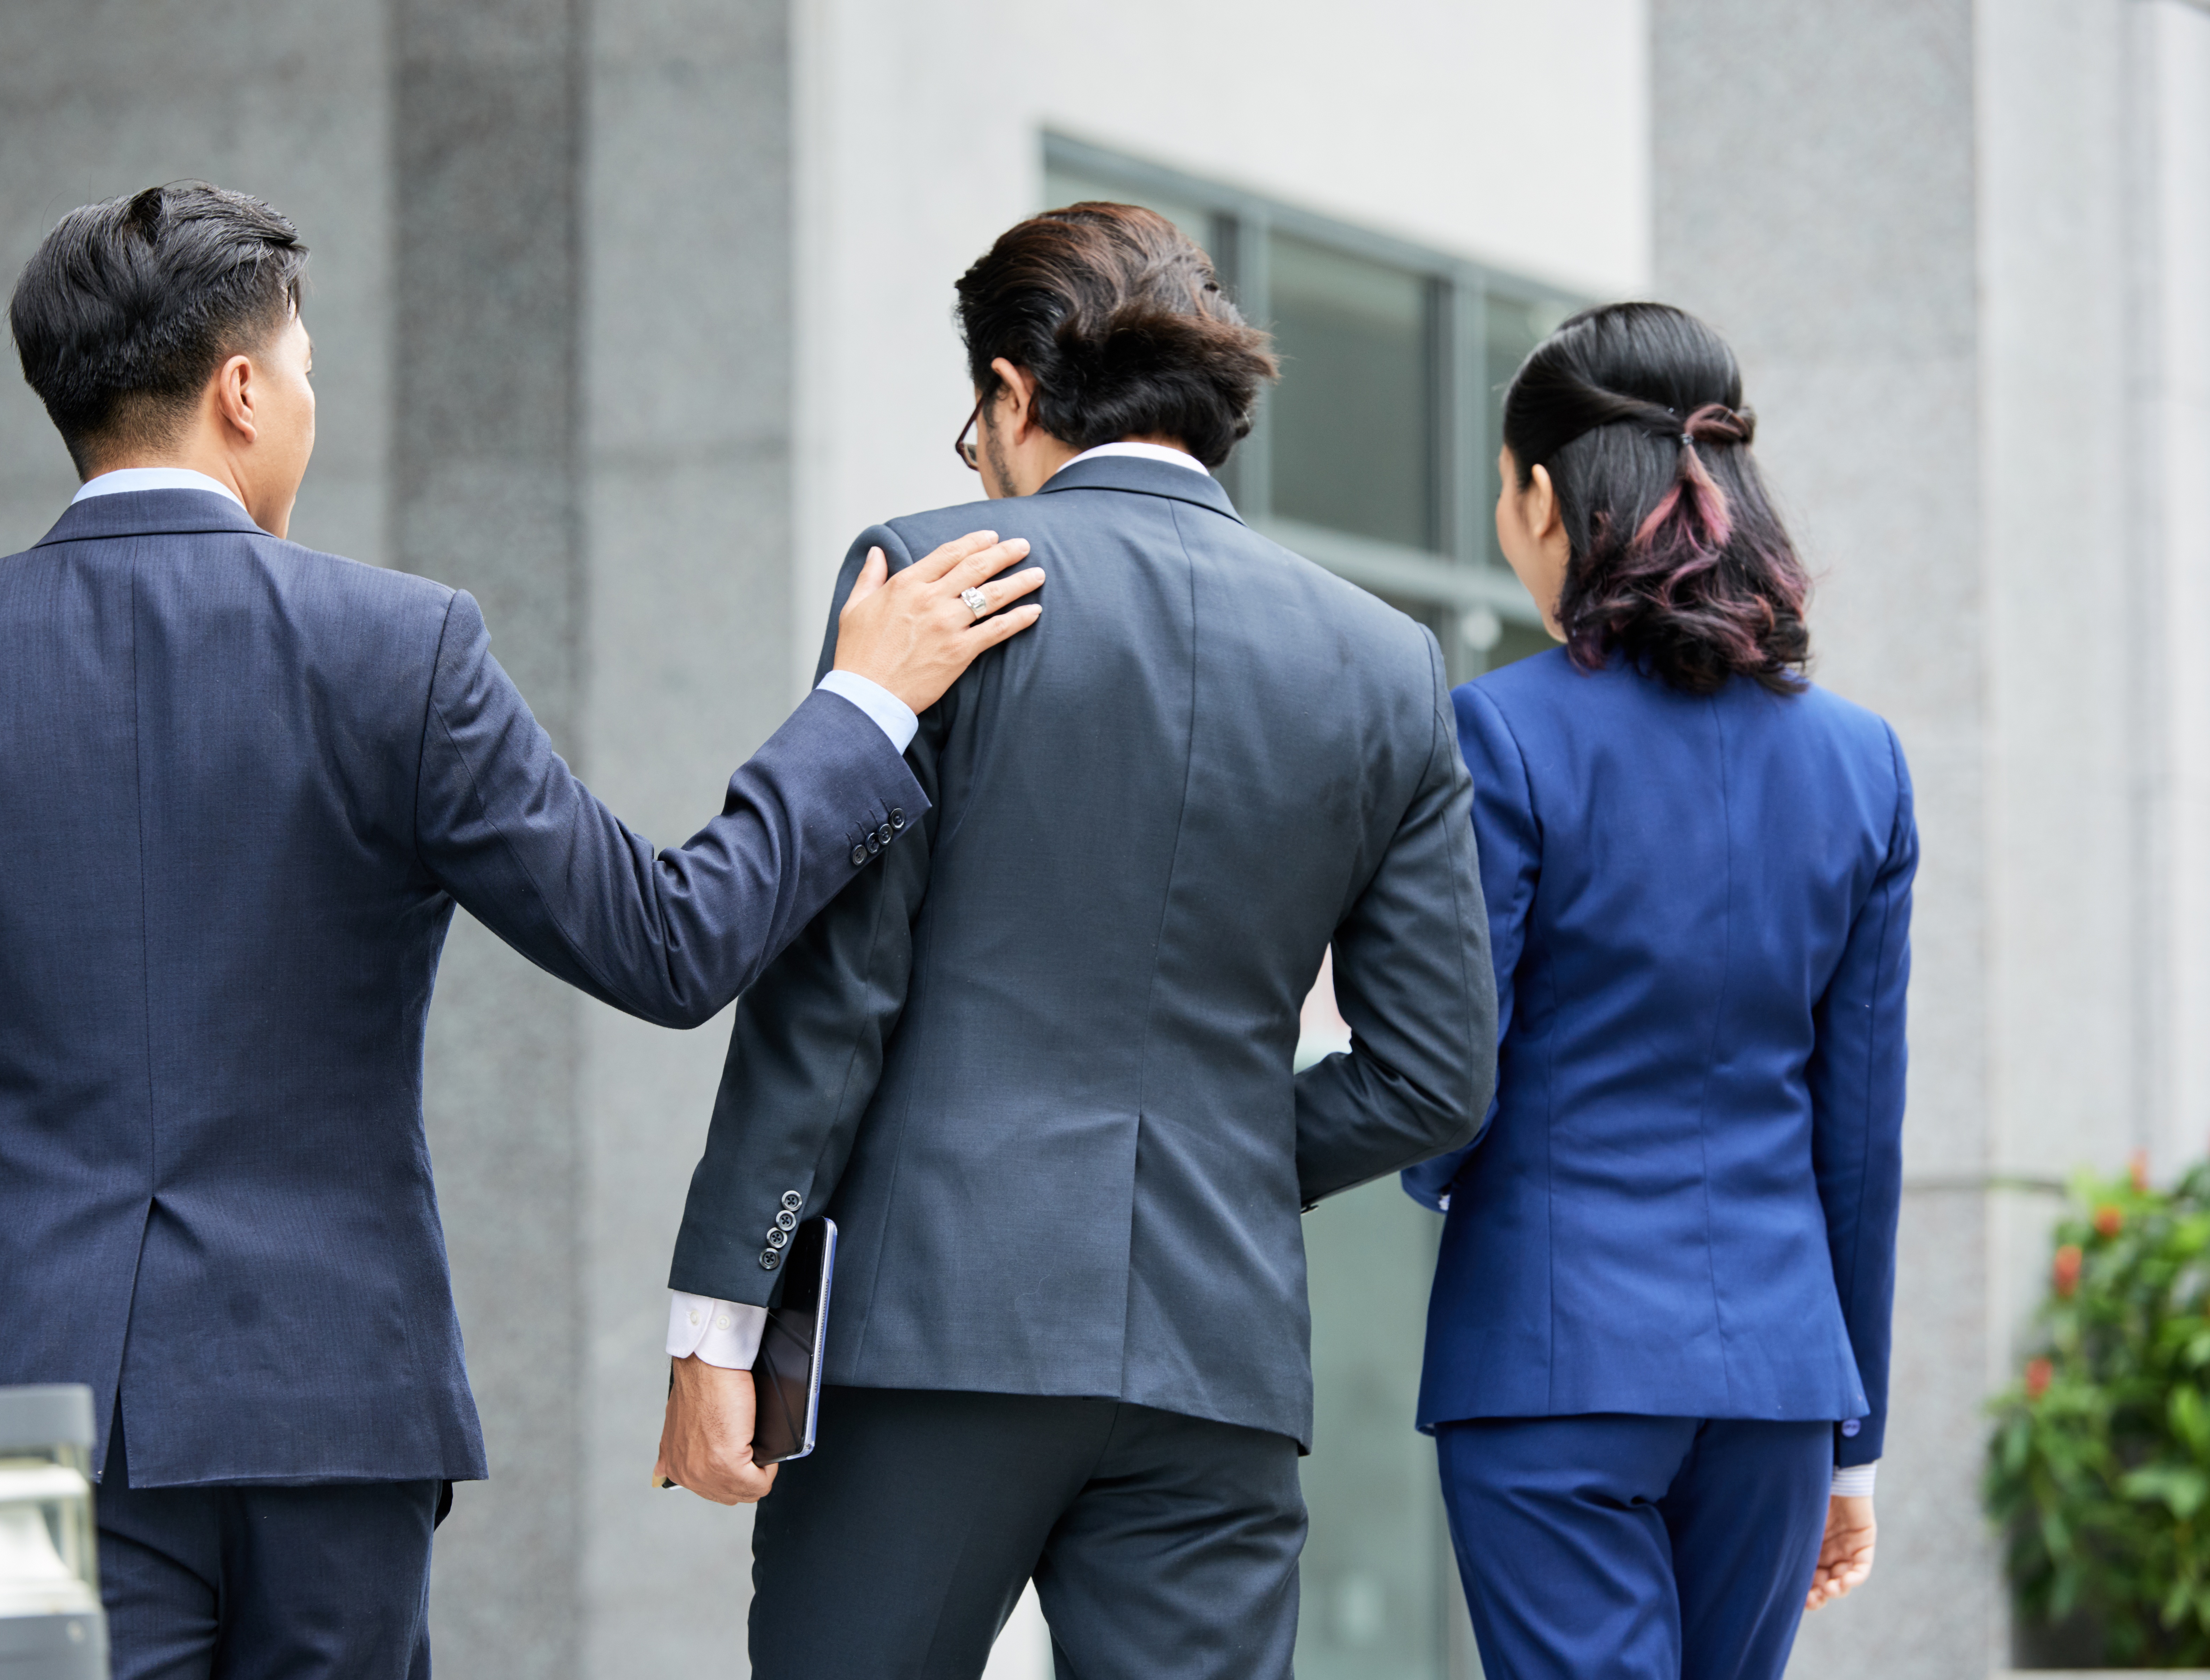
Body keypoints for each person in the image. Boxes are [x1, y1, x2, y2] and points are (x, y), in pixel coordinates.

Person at [0, 181, 1043, 1679]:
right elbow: (668, 941)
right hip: (333, 1403)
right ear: (240, 392)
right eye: (303, 374)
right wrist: (865, 703)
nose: (310, 406)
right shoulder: (398, 651)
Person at [651, 202, 1499, 1679]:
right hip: (1214, 1359)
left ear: (1010, 392)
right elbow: (1436, 1073)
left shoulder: (934, 582)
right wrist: (1211, 1151)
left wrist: (723, 1317)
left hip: (931, 1328)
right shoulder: (1379, 662)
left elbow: (828, 995)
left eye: (971, 421)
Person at [1403, 302, 1912, 1679]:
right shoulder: (1862, 764)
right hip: (1777, 1384)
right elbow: (1857, 1140)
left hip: (1551, 1357)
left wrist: (1415, 1148)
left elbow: (1457, 1070)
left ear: (1539, 496)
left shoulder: (1498, 732)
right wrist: (1850, 1440)